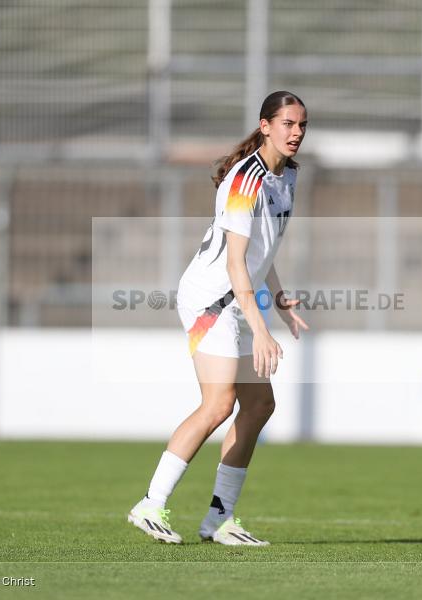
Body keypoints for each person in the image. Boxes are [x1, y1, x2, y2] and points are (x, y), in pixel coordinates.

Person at [127, 91, 310, 545]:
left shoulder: (287, 177)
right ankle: (150, 504)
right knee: (218, 403)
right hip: (211, 301)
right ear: (265, 126)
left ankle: (219, 520)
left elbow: (262, 253)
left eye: (302, 125)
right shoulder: (245, 181)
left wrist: (281, 298)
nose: (296, 133)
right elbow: (234, 264)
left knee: (260, 405)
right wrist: (263, 331)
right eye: (287, 123)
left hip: (241, 297)